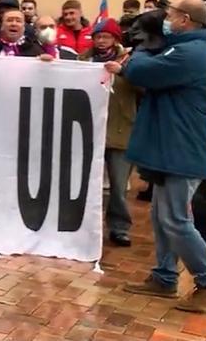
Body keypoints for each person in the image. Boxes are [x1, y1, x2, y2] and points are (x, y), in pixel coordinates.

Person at [112, 0, 206, 313]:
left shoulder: (189, 53)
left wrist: (138, 53)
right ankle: (165, 276)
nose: (165, 19)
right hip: (171, 145)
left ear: (185, 19)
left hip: (181, 148)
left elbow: (143, 72)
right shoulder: (183, 49)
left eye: (170, 14)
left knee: (175, 219)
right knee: (161, 216)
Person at [79, 18, 136, 247]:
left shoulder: (130, 61)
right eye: (98, 37)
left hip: (120, 128)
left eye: (106, 37)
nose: (101, 41)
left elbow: (143, 87)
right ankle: (84, 224)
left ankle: (119, 227)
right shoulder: (84, 59)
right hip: (89, 128)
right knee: (85, 182)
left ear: (115, 39)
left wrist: (123, 72)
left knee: (118, 185)